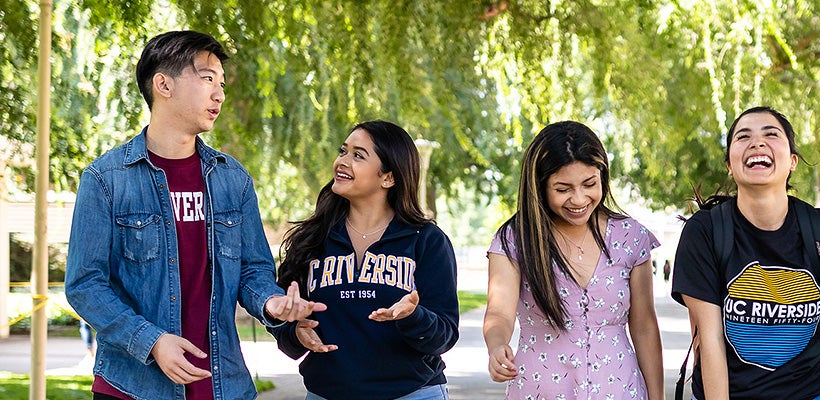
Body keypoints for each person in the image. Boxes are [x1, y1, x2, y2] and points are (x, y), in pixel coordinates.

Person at [64, 30, 323, 400]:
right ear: (163, 85)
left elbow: (252, 270)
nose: (219, 94)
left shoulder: (233, 180)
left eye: (221, 83)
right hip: (132, 388)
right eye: (207, 79)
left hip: (223, 386)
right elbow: (85, 285)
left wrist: (272, 302)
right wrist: (152, 341)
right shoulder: (106, 180)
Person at [671, 106, 820, 400]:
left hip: (813, 392)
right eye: (743, 137)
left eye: (771, 134)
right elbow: (710, 338)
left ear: (792, 161)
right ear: (729, 164)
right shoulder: (704, 232)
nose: (757, 143)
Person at [269, 120, 460, 399]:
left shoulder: (426, 240)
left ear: (388, 178)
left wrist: (413, 316)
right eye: (343, 151)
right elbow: (280, 318)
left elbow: (444, 336)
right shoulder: (311, 240)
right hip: (327, 393)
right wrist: (295, 333)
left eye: (358, 155)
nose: (342, 161)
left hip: (412, 393)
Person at [483, 121, 665, 400]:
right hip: (540, 390)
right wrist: (497, 347)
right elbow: (498, 314)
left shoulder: (631, 236)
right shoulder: (514, 239)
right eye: (563, 189)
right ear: (539, 186)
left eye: (590, 184)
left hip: (620, 390)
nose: (579, 199)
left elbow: (644, 328)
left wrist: (657, 396)